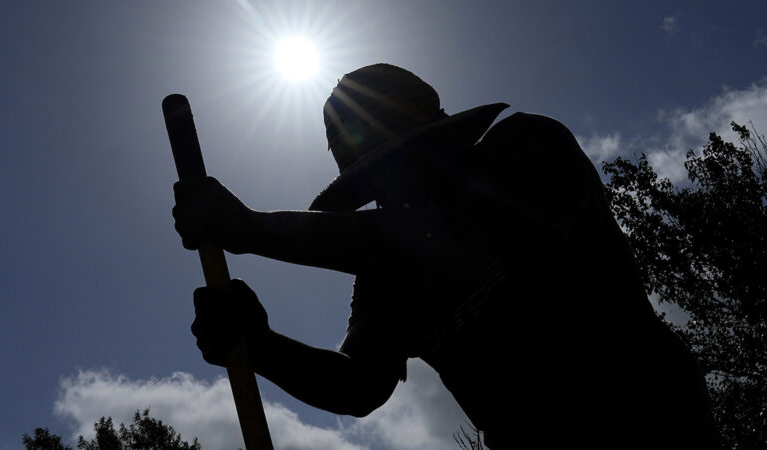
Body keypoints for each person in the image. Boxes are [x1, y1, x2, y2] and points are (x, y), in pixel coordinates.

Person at [173, 64, 720, 448]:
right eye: (374, 179)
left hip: (653, 425)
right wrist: (261, 346)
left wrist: (252, 230)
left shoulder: (527, 150)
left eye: (401, 161)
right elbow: (358, 385)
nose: (392, 188)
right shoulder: (386, 274)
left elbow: (459, 238)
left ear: (444, 139)